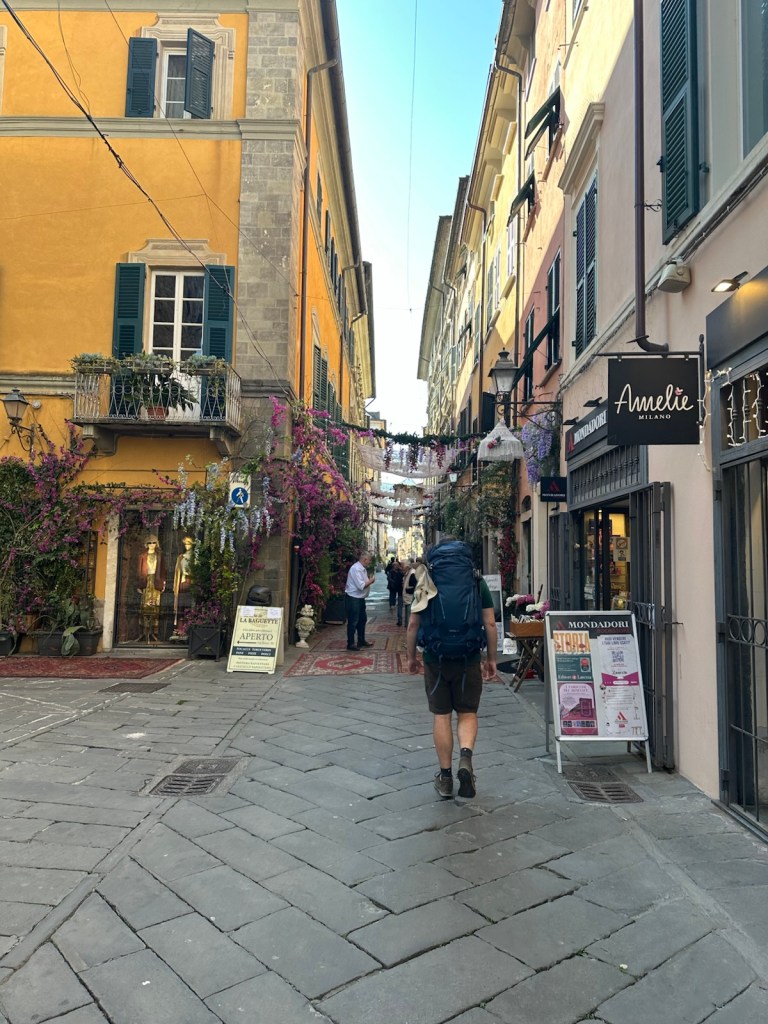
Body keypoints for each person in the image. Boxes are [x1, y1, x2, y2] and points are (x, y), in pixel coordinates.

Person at [406, 543, 497, 800]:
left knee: (442, 715)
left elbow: (413, 624)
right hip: (469, 656)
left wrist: (411, 657)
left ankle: (445, 778)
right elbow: (490, 623)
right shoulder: (476, 582)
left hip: (436, 657)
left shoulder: (426, 581)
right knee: (467, 712)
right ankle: (465, 758)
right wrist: (492, 659)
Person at [344, 550, 376, 651]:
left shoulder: (362, 569)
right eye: (369, 560)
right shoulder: (356, 569)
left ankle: (361, 640)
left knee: (362, 620)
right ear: (365, 559)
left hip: (359, 598)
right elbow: (361, 586)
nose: (369, 562)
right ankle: (350, 643)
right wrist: (371, 581)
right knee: (353, 621)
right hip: (354, 598)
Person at [136, 536, 166, 643]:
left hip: (156, 582)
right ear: (147, 544)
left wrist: (163, 584)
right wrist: (138, 585)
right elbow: (139, 571)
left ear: (156, 544)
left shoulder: (160, 556)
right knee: (145, 607)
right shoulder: (142, 555)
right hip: (145, 582)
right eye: (150, 543)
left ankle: (154, 633)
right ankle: (144, 633)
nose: (152, 544)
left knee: (155, 607)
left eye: (154, 542)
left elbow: (163, 571)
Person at [388, 559, 406, 625]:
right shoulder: (391, 572)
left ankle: (400, 619)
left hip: (399, 588)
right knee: (392, 596)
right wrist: (393, 582)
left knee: (400, 603)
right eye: (395, 565)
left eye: (397, 565)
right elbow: (389, 578)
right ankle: (392, 605)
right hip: (393, 587)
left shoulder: (400, 572)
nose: (397, 566)